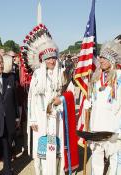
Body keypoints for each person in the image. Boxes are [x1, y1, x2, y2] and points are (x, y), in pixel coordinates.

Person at [22, 24, 79, 175]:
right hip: (41, 118)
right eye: (48, 59)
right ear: (43, 60)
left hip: (58, 118)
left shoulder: (63, 73)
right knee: (43, 151)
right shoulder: (37, 75)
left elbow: (71, 94)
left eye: (54, 58)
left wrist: (62, 99)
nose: (52, 61)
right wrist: (32, 120)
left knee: (56, 150)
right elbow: (32, 98)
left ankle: (57, 172)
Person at [85, 34, 121, 175]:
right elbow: (94, 100)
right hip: (96, 128)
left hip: (113, 130)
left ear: (112, 60)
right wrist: (89, 101)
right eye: (100, 57)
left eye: (104, 58)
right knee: (96, 162)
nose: (100, 60)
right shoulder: (96, 78)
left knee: (115, 163)